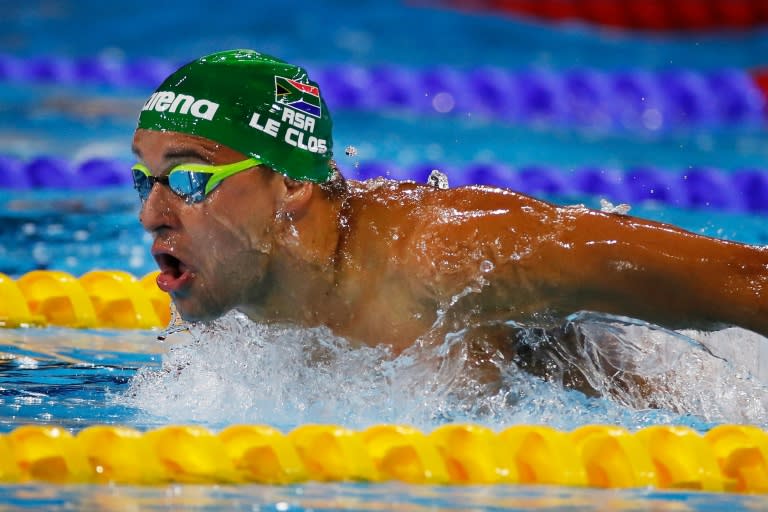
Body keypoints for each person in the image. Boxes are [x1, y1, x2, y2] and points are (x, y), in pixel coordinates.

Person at [131, 49, 768, 370]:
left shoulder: (451, 257)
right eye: (144, 179)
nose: (152, 214)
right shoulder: (245, 294)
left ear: (293, 184)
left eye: (188, 178)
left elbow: (746, 281)